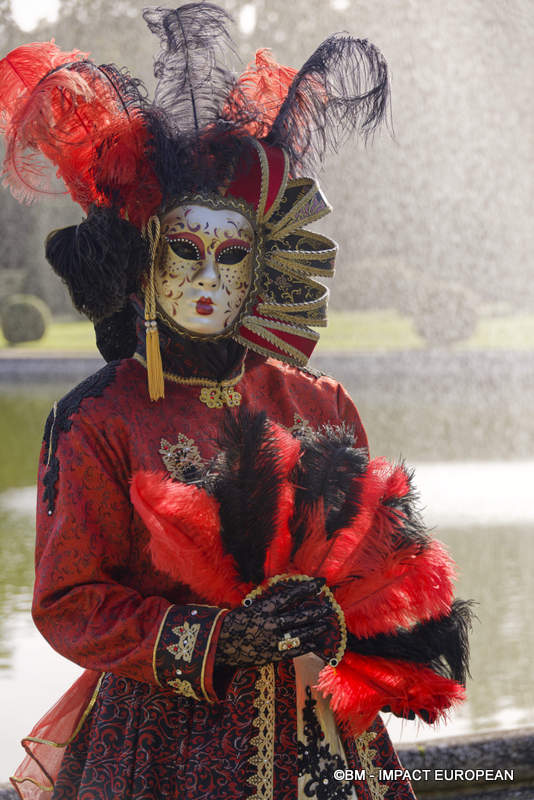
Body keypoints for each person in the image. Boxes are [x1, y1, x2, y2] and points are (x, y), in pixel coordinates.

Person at [0, 6, 471, 799]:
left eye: (234, 254)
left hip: (322, 738)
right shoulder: (99, 418)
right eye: (187, 250)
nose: (210, 278)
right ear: (145, 261)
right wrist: (218, 635)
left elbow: (381, 561)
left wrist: (372, 640)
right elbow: (67, 602)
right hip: (166, 748)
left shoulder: (319, 404)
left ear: (267, 265)